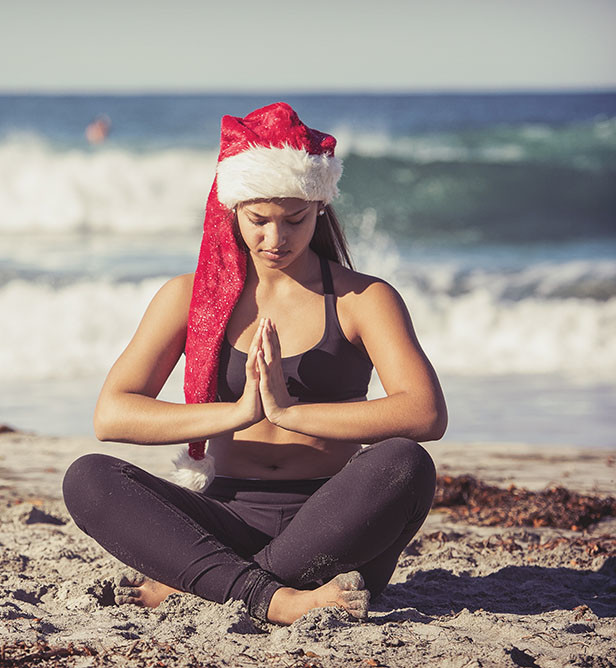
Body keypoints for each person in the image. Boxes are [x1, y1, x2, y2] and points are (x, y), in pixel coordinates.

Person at [62, 102, 447, 627]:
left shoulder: (364, 299)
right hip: (225, 517)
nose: (275, 239)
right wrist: (239, 412)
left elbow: (425, 414)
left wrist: (290, 413)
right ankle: (277, 598)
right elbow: (113, 415)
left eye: (295, 220)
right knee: (87, 478)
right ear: (233, 210)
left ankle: (209, 585)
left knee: (407, 463)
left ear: (319, 208)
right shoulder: (188, 299)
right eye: (258, 220)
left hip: (334, 523)